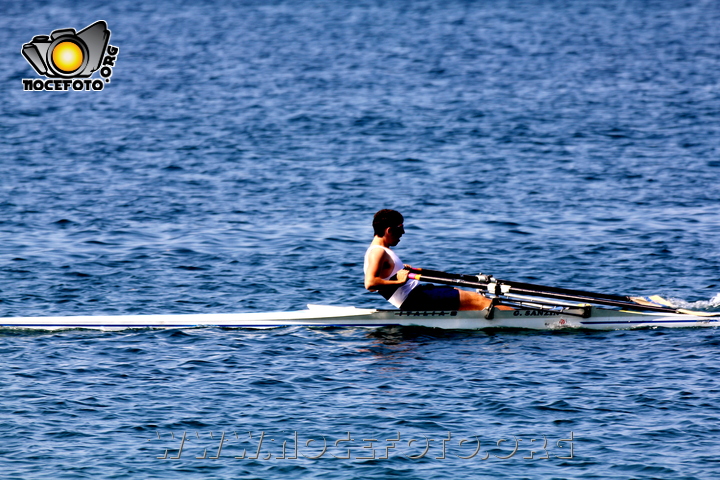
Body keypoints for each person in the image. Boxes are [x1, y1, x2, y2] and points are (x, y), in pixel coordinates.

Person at [364, 209, 494, 311]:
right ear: (389, 230)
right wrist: (400, 281)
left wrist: (400, 270)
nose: (403, 233)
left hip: (418, 295)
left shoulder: (379, 251)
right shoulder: (378, 251)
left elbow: (378, 282)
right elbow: (370, 284)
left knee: (458, 292)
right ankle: (512, 318)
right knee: (479, 300)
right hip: (415, 299)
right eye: (401, 228)